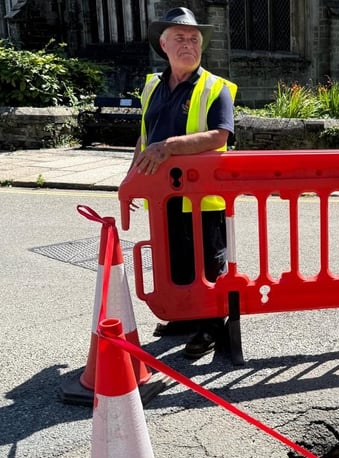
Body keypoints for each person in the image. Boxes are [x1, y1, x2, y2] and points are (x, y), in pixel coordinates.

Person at [130, 7, 237, 359]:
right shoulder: (152, 86)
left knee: (208, 264)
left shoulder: (215, 87)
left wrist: (169, 147)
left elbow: (220, 134)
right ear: (164, 45)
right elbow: (145, 136)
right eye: (180, 38)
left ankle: (209, 327)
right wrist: (133, 177)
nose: (189, 44)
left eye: (194, 39)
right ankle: (183, 315)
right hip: (165, 198)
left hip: (203, 200)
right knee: (175, 261)